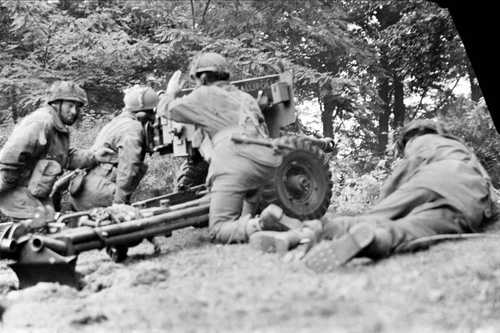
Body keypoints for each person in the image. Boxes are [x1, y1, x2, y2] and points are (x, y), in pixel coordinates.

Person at [251, 119, 496, 272]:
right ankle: (375, 241)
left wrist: (384, 204)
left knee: (376, 216)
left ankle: (306, 232)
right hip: (465, 199)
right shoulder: (460, 150)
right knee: (417, 229)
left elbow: (402, 175)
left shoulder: (422, 141)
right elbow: (491, 196)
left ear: (412, 136)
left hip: (434, 178)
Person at [157, 52, 295, 243]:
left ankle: (261, 224)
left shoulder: (203, 94)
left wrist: (170, 91)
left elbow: (167, 109)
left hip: (233, 159)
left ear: (202, 77)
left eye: (196, 79)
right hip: (265, 159)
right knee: (244, 213)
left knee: (219, 229)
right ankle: (281, 226)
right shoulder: (245, 97)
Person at [0, 81, 113, 223]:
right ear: (55, 104)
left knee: (52, 228)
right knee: (38, 235)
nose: (74, 112)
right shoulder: (41, 122)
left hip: (36, 192)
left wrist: (94, 156)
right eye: (70, 106)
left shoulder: (58, 127)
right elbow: (9, 156)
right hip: (18, 191)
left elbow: (65, 157)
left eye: (77, 107)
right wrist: (8, 186)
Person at [68, 85, 158, 210]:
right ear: (142, 114)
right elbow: (129, 166)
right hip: (100, 193)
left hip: (86, 189)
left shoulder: (118, 122)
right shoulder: (132, 129)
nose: (153, 119)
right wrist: (120, 203)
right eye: (151, 115)